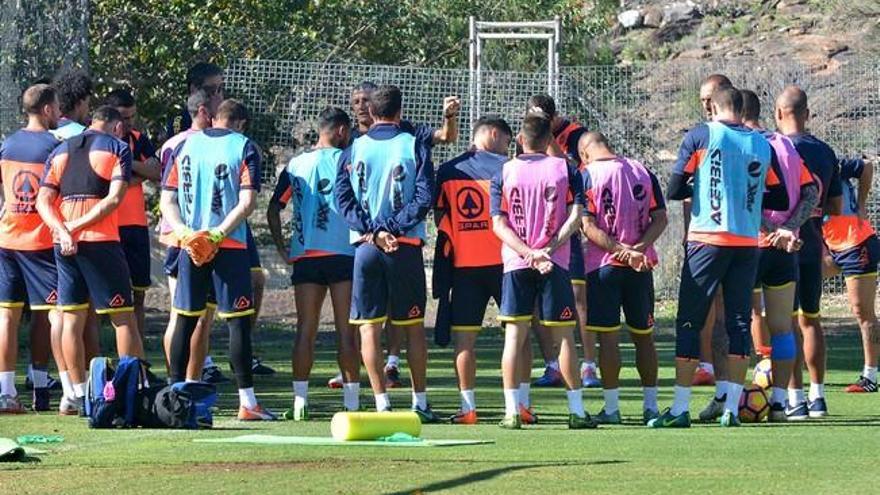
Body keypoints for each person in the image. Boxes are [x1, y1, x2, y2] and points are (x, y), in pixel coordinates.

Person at [650, 87, 788, 428]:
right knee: (740, 322)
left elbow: (674, 189)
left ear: (713, 106)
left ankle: (680, 408)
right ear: (741, 109)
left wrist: (706, 185)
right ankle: (730, 407)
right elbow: (781, 196)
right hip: (745, 243)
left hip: (706, 240)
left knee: (689, 321)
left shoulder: (702, 134)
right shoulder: (761, 143)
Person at [334, 81, 460, 390]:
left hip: (366, 248)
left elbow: (342, 200)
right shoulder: (412, 144)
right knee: (414, 327)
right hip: (404, 245)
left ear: (372, 111)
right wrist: (391, 229)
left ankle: (380, 401)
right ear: (400, 111)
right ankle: (420, 401)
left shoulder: (353, 148)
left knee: (368, 328)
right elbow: (423, 198)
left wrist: (374, 232)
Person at [161, 99, 276, 420]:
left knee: (185, 318)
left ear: (214, 118)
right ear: (240, 123)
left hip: (189, 246)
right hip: (228, 247)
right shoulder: (244, 147)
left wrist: (185, 233)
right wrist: (217, 234)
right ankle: (248, 403)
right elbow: (248, 201)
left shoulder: (184, 146)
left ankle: (174, 397)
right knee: (237, 323)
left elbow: (167, 199)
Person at [490, 111, 597, 430]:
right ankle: (576, 412)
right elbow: (577, 214)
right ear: (550, 140)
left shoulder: (505, 171)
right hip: (556, 262)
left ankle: (512, 412)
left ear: (520, 140)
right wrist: (547, 249)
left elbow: (499, 223)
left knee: (514, 337)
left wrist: (527, 252)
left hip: (516, 263)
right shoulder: (565, 167)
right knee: (564, 337)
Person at [37, 105, 145, 414]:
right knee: (123, 317)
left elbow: (43, 200)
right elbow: (114, 199)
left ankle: (80, 393)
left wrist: (62, 230)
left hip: (64, 244)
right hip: (101, 243)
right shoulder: (117, 147)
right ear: (115, 127)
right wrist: (76, 227)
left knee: (71, 318)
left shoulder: (60, 150)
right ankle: (128, 392)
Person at [267, 107, 360, 419]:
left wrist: (283, 248)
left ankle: (300, 403)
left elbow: (273, 208)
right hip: (344, 255)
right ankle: (351, 403)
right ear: (342, 131)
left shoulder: (296, 163)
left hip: (306, 257)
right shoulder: (349, 160)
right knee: (347, 332)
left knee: (305, 329)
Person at [579, 131, 666, 425]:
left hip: (603, 267)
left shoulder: (587, 174)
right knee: (644, 338)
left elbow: (588, 227)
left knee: (608, 339)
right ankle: (651, 407)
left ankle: (612, 409)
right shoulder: (642, 170)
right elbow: (661, 218)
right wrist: (637, 250)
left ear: (584, 154)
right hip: (640, 268)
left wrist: (621, 252)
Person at [742, 89, 819, 421]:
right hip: (785, 249)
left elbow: (743, 198)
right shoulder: (787, 145)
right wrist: (788, 228)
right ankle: (779, 402)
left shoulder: (742, 145)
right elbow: (811, 191)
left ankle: (729, 398)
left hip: (748, 247)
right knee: (782, 328)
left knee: (735, 322)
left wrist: (768, 230)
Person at [517, 94, 599, 390]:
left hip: (567, 232)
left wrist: (548, 135)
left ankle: (589, 364)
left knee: (578, 298)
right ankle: (552, 364)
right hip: (534, 236)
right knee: (537, 303)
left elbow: (571, 172)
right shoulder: (526, 138)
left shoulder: (576, 136)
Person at [433, 115, 511, 425]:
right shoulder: (508, 169)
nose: (507, 148)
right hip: (505, 264)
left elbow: (440, 216)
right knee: (515, 337)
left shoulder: (449, 170)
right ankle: (518, 406)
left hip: (464, 267)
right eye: (506, 141)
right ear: (493, 134)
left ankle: (468, 409)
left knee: (464, 342)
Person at [775, 85, 842, 418]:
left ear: (778, 114)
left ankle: (794, 398)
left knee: (783, 323)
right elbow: (836, 205)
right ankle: (818, 397)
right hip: (813, 243)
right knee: (811, 319)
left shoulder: (774, 148)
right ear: (807, 114)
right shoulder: (824, 151)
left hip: (778, 244)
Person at [0, 84, 63, 413]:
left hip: (7, 239)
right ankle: (57, 389)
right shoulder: (55, 146)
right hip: (41, 242)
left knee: (7, 317)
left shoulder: (7, 144)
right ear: (48, 110)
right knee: (54, 315)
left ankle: (6, 393)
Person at [158, 89, 226, 384]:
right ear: (202, 110)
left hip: (177, 235)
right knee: (196, 318)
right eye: (216, 100)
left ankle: (182, 382)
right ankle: (188, 383)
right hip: (192, 238)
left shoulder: (171, 144)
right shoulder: (195, 144)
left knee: (183, 314)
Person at [105, 89, 161, 339]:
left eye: (132, 117)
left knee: (139, 293)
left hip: (136, 225)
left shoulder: (139, 138)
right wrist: (136, 174)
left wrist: (127, 163)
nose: (128, 123)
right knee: (105, 297)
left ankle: (138, 361)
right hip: (107, 226)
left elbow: (156, 171)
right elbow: (105, 176)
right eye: (124, 118)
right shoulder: (97, 139)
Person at [822, 157, 880, 393]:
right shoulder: (791, 164)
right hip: (827, 244)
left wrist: (862, 205)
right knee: (796, 289)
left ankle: (870, 376)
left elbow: (866, 166)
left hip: (856, 243)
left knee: (862, 311)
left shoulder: (829, 162)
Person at [51, 70, 92, 140]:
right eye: (87, 104)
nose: (88, 109)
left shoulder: (48, 129)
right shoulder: (84, 135)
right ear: (80, 103)